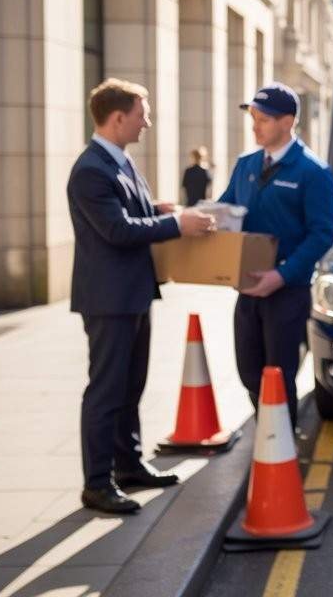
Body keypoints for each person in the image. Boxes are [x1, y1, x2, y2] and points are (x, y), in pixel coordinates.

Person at [67, 78, 215, 514]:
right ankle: (97, 483)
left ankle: (129, 466)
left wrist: (161, 210)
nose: (146, 122)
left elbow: (132, 214)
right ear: (117, 118)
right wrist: (177, 226)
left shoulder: (120, 162)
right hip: (108, 299)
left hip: (132, 294)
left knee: (131, 386)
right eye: (141, 114)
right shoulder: (91, 169)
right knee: (106, 390)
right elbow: (115, 230)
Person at [219, 83, 333, 428]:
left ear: (287, 122)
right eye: (253, 118)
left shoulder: (313, 172)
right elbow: (226, 210)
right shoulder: (245, 165)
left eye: (263, 119)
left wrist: (281, 275)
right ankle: (268, 435)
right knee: (248, 371)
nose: (255, 126)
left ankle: (279, 449)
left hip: (286, 291)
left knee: (279, 376)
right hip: (247, 288)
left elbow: (322, 235)